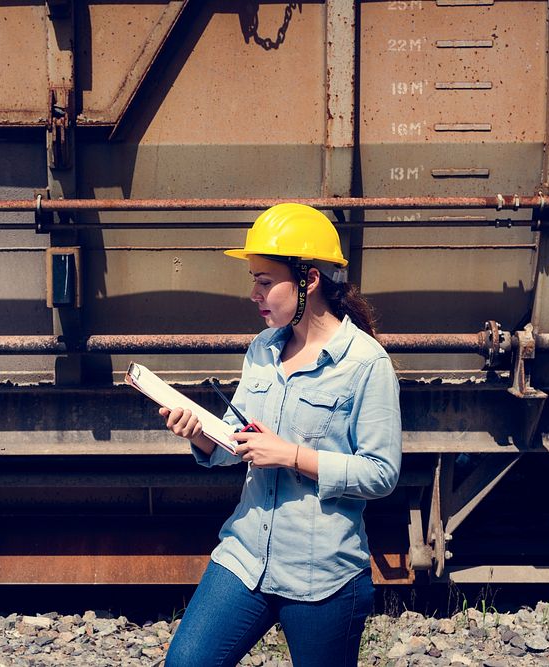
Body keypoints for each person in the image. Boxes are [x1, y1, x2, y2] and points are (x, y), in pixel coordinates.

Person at [161, 203, 402, 667]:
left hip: (323, 575)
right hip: (245, 556)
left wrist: (292, 455)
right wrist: (203, 437)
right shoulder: (262, 349)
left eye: (265, 281)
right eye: (254, 279)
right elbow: (244, 440)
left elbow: (382, 474)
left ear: (309, 280)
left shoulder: (366, 364)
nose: (253, 293)